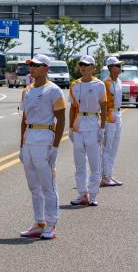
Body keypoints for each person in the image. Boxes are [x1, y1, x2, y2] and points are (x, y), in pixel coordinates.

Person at [18, 54, 65, 240]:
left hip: (45, 136)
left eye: (36, 65)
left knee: (48, 185)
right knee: (33, 186)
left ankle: (51, 224)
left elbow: (61, 119)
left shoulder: (54, 90)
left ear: (46, 68)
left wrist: (55, 147)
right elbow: (24, 119)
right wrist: (21, 146)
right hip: (29, 137)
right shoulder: (27, 91)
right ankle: (39, 222)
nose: (32, 68)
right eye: (30, 65)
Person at [68, 54, 106, 207]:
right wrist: (70, 127)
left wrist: (102, 128)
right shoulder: (74, 85)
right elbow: (72, 107)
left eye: (86, 65)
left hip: (92, 124)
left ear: (93, 68)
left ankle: (93, 195)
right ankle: (82, 194)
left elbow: (103, 107)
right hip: (78, 125)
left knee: (94, 163)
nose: (83, 67)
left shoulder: (99, 85)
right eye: (81, 65)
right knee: (79, 163)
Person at [100, 56, 124, 188]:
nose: (119, 68)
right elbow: (103, 104)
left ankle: (109, 174)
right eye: (117, 65)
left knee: (114, 147)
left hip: (118, 114)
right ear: (110, 68)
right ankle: (104, 177)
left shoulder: (119, 81)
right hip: (110, 116)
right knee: (107, 148)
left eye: (120, 65)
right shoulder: (105, 83)